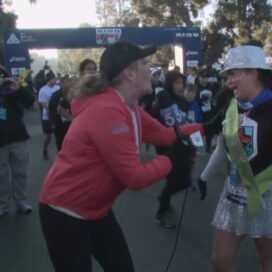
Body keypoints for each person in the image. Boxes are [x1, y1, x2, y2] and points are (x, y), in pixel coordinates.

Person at [39, 40, 203, 272]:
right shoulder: (107, 110)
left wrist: (207, 127)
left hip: (97, 209)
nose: (150, 69)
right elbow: (134, 178)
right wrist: (172, 160)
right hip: (65, 212)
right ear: (129, 74)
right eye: (144, 64)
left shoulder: (130, 106)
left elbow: (167, 135)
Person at [198, 45, 272, 272]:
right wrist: (204, 177)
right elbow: (224, 146)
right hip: (232, 195)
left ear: (254, 72)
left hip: (266, 197)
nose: (229, 81)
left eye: (233, 74)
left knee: (266, 257)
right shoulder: (233, 106)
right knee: (220, 260)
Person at [151, 70, 194, 228]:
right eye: (176, 82)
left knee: (184, 181)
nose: (179, 86)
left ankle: (164, 196)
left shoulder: (182, 101)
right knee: (174, 179)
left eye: (181, 82)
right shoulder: (163, 98)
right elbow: (155, 119)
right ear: (169, 83)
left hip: (181, 145)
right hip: (165, 145)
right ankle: (161, 213)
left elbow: (185, 123)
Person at [0, 68, 35, 216]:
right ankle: (2, 205)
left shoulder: (13, 93)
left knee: (20, 173)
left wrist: (18, 85)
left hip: (17, 137)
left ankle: (21, 202)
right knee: (0, 175)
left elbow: (29, 101)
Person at [38, 70, 60, 160]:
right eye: (53, 79)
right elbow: (43, 104)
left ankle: (60, 152)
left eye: (55, 78)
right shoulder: (43, 90)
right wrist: (53, 108)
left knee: (59, 135)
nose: (55, 80)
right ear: (49, 80)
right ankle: (45, 150)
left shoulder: (58, 88)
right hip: (47, 116)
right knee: (48, 135)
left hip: (58, 115)